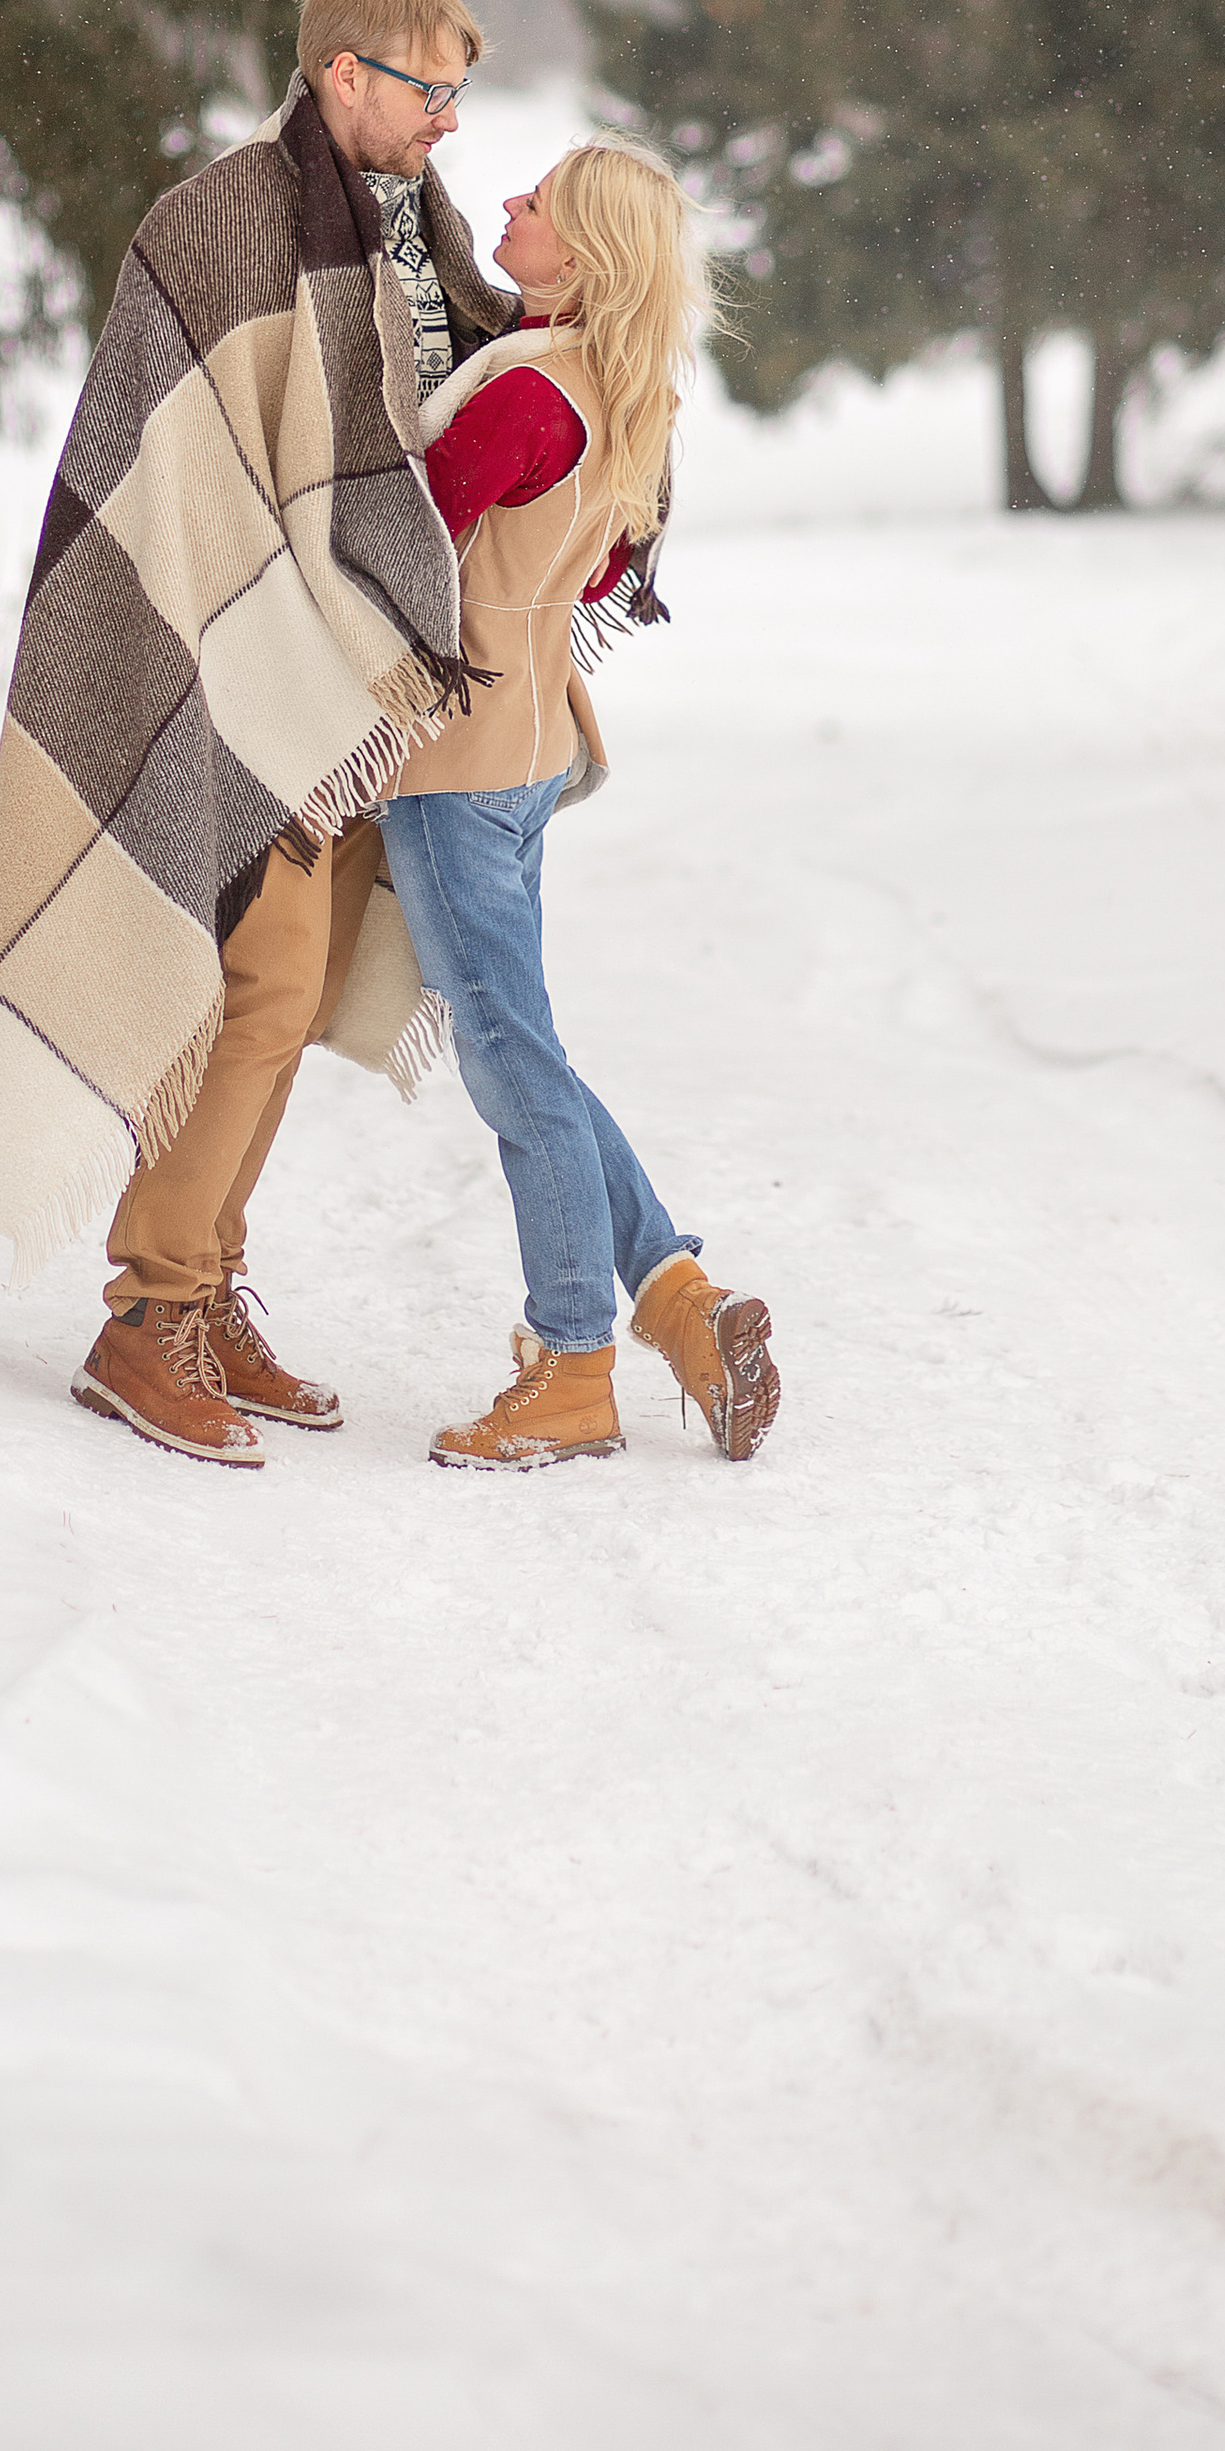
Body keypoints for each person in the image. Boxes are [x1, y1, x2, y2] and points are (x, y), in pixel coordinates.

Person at [0, 0, 519, 1465]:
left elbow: (417, 423)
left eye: (464, 97)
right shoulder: (216, 224)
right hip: (226, 664)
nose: (450, 123)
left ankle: (204, 1284)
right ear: (349, 74)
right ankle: (147, 1317)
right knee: (249, 989)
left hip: (344, 692)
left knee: (299, 988)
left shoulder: (410, 230)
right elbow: (181, 481)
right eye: (431, 93)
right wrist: (274, 627)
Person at [376, 139, 781, 1471]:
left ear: (585, 252)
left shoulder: (529, 398)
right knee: (526, 1048)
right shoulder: (611, 392)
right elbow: (590, 575)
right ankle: (672, 1296)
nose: (506, 204)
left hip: (460, 763)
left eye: (536, 202)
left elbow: (402, 547)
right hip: (526, 748)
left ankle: (569, 1364)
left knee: (514, 1068)